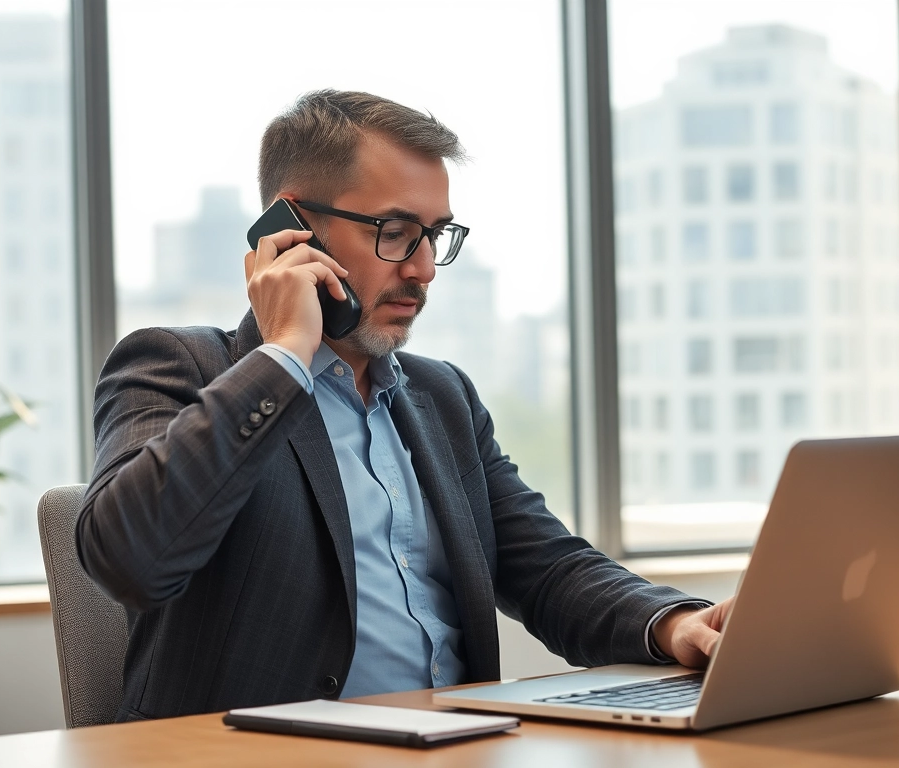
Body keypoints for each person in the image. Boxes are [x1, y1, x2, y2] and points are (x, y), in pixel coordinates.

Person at [77, 89, 733, 722]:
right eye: (395, 232)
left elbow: (547, 567)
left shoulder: (441, 397)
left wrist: (676, 623)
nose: (423, 269)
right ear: (294, 228)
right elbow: (129, 559)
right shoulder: (177, 365)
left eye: (436, 235)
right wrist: (282, 355)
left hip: (459, 744)